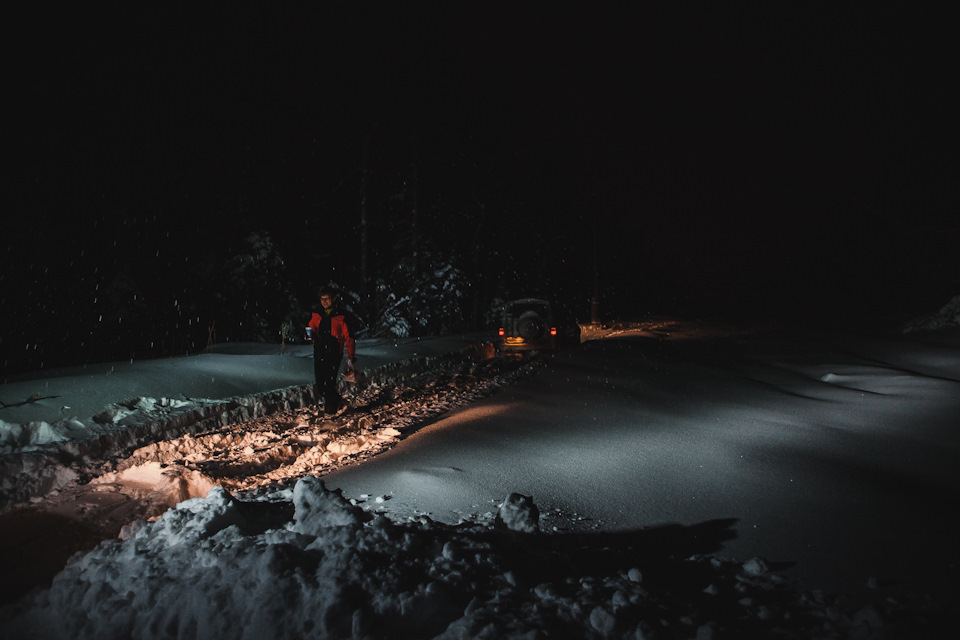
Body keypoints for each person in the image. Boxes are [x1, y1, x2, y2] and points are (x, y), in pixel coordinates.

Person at [305, 287, 357, 414]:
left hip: (334, 353)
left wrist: (351, 356)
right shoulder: (317, 314)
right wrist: (308, 336)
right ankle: (337, 401)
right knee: (321, 387)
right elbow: (311, 329)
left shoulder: (342, 316)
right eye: (322, 299)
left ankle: (330, 412)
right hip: (319, 351)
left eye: (327, 299)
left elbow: (349, 338)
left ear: (334, 299)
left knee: (329, 383)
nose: (324, 301)